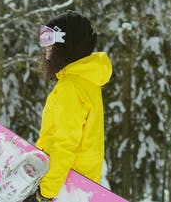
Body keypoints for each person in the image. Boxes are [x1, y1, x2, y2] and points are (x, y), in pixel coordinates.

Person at [24, 10, 113, 201]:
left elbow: (65, 144)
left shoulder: (71, 88)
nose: (45, 47)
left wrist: (45, 192)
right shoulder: (87, 82)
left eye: (49, 39)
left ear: (67, 45)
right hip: (77, 186)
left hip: (64, 186)